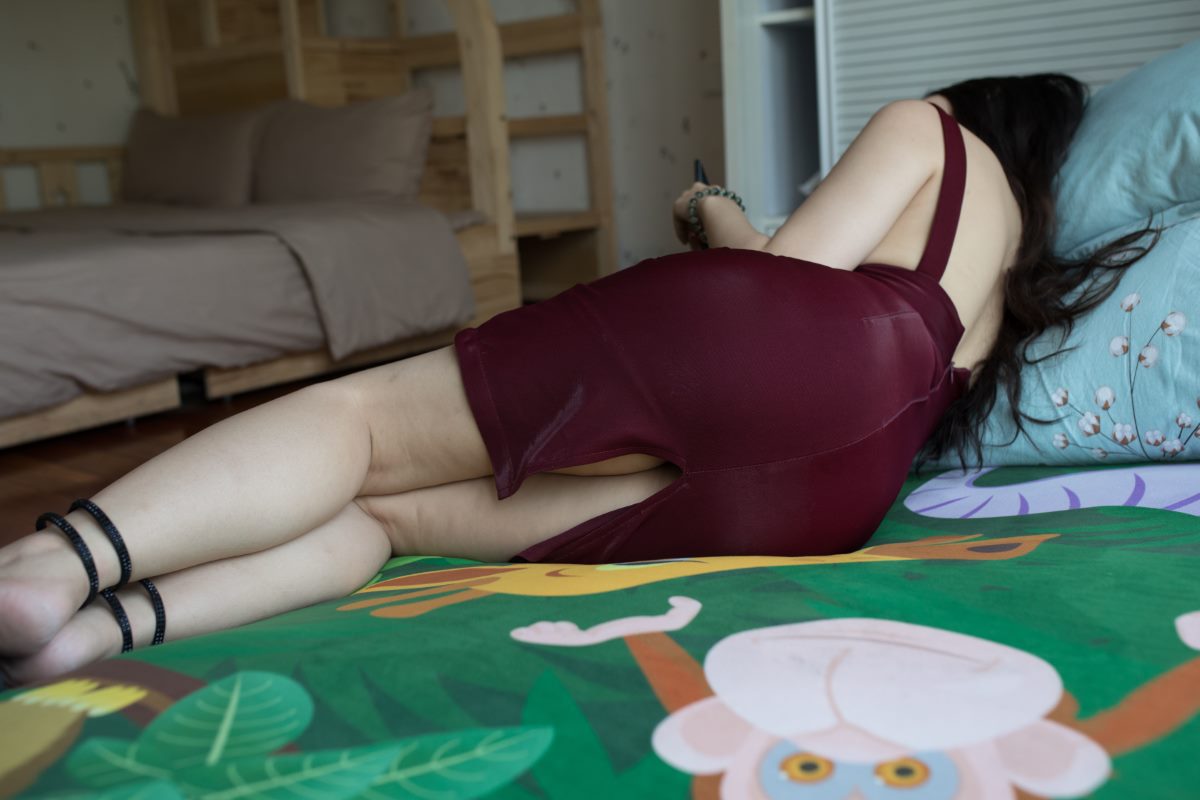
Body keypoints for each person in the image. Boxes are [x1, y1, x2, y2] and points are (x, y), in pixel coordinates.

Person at [0, 74, 1162, 686]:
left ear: (984, 102)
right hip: (830, 496)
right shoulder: (1002, 287)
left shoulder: (933, 129)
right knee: (389, 515)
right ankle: (96, 632)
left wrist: (714, 210)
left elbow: (793, 284)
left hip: (783, 353)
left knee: (356, 420)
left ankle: (57, 566)